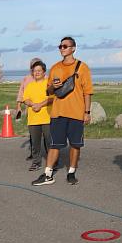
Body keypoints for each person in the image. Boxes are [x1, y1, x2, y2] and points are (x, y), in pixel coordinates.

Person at [31, 37, 93, 186]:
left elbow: (88, 92)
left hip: (76, 113)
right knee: (54, 144)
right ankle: (48, 174)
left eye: (65, 46)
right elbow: (48, 90)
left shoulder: (82, 67)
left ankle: (71, 172)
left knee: (75, 144)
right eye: (60, 46)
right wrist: (54, 86)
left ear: (73, 48)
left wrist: (87, 112)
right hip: (58, 112)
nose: (62, 48)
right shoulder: (55, 67)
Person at [22, 60, 52, 172]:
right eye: (35, 71)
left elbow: (52, 98)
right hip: (33, 119)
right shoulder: (30, 85)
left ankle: (52, 162)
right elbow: (26, 99)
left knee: (49, 141)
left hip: (47, 118)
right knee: (35, 143)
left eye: (39, 71)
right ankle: (36, 162)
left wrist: (40, 105)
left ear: (44, 72)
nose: (37, 73)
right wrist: (33, 104)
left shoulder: (49, 83)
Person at [17, 58, 42, 160]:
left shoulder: (46, 78)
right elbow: (21, 93)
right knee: (33, 134)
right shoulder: (26, 79)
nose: (35, 69)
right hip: (31, 110)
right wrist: (18, 106)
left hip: (44, 110)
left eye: (37, 66)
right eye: (33, 67)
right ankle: (34, 154)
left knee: (47, 135)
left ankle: (51, 156)